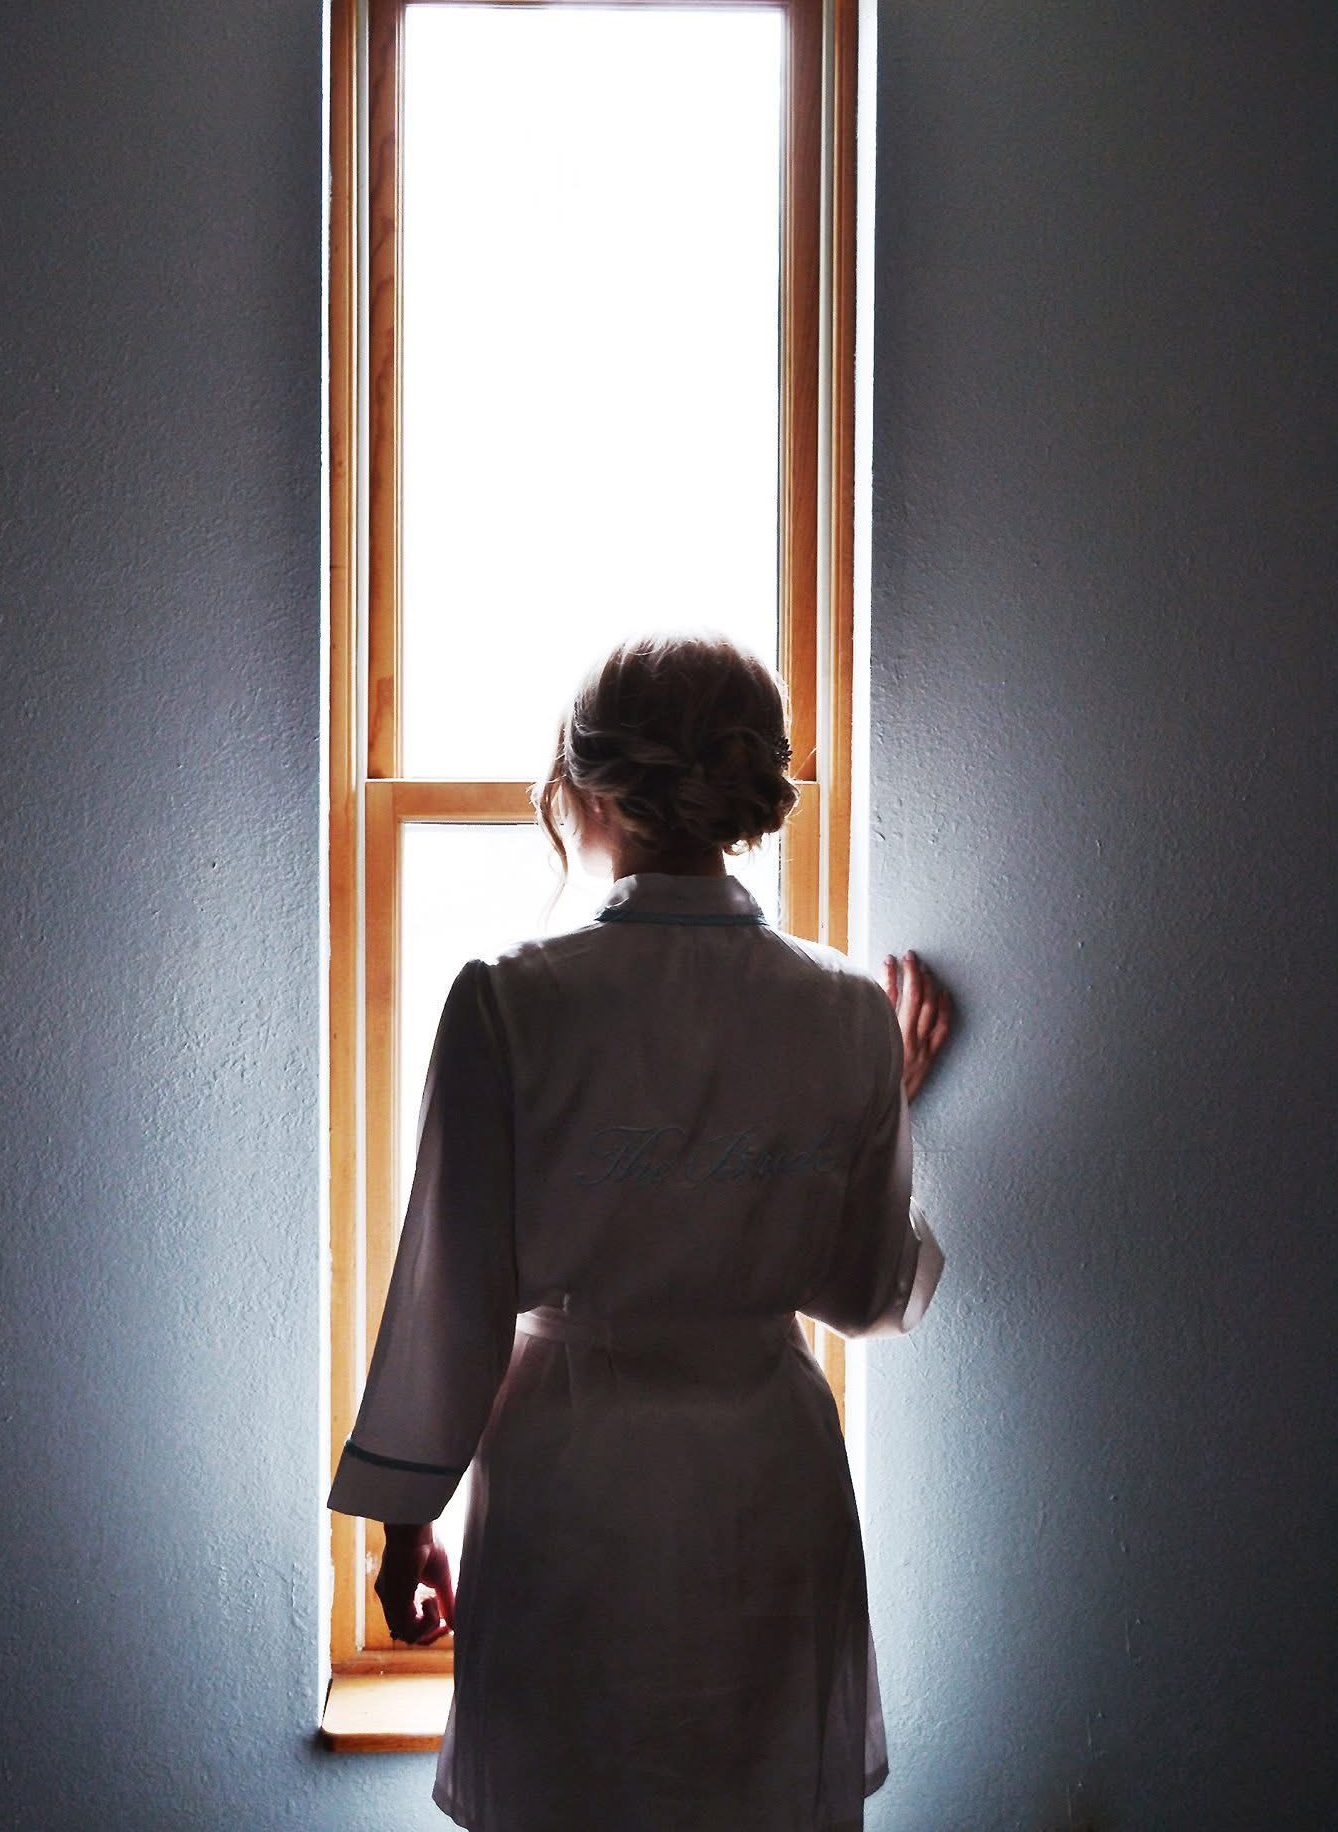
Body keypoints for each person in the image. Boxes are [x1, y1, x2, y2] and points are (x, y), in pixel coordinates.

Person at [327, 628, 953, 1832]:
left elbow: (447, 1301)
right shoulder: (843, 1018)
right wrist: (874, 1097)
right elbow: (869, 1287)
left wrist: (404, 1533)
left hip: (573, 1479)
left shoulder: (507, 1000)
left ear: (586, 785)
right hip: (768, 1487)